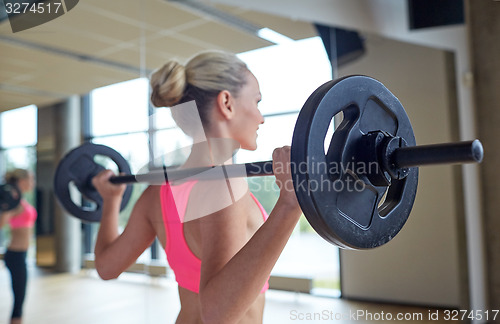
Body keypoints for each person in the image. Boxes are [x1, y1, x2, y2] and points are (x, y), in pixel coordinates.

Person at [92, 51, 302, 324]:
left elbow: (107, 267)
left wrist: (111, 201)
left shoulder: (158, 192)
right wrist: (289, 205)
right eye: (257, 101)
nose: (261, 117)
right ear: (226, 102)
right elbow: (218, 314)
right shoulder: (224, 185)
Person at [0, 169, 37, 324]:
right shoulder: (12, 202)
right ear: (21, 181)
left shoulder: (19, 201)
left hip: (21, 254)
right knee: (19, 300)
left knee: (20, 298)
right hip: (15, 255)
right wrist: (6, 209)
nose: (33, 183)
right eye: (31, 179)